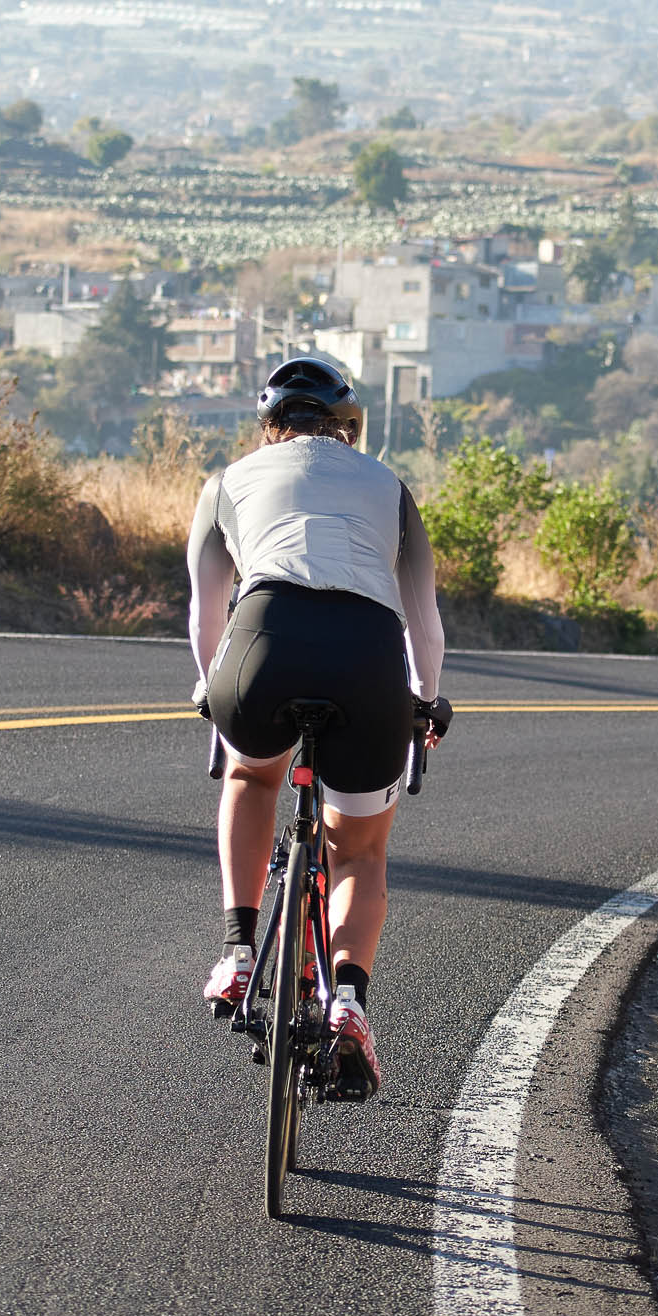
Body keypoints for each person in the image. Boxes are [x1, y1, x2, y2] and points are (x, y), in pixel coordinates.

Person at [186, 355, 447, 1099]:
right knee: (358, 848)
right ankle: (349, 1002)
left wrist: (210, 688)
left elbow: (206, 610)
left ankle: (239, 953)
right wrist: (427, 701)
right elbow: (424, 622)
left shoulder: (228, 481)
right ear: (348, 428)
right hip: (368, 658)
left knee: (250, 774)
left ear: (270, 426)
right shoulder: (389, 487)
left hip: (262, 643)